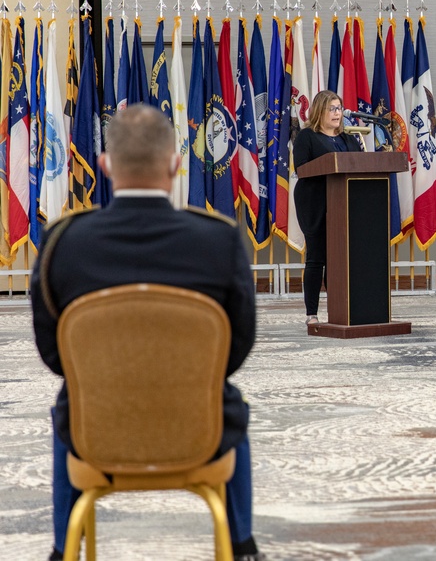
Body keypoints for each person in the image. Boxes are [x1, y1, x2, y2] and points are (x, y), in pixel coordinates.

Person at [31, 105, 264, 561]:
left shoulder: (63, 244)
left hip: (94, 436)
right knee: (227, 397)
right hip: (201, 434)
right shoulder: (219, 241)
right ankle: (242, 547)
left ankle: (63, 549)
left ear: (105, 165)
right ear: (176, 164)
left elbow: (53, 353)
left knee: (69, 401)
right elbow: (236, 349)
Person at [292, 90, 363, 325]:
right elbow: (301, 169)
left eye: (339, 108)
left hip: (343, 205)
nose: (337, 113)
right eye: (332, 108)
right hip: (315, 204)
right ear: (319, 111)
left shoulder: (349, 140)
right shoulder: (307, 137)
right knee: (317, 257)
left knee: (339, 259)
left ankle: (339, 310)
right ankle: (311, 314)